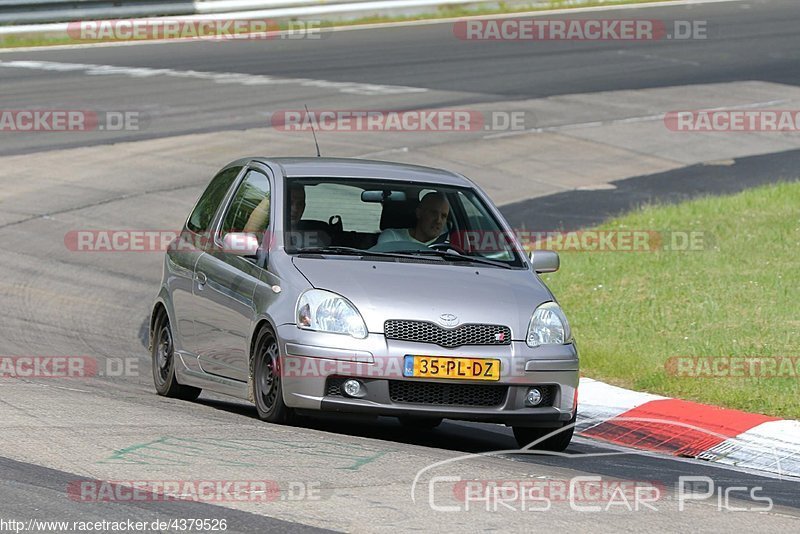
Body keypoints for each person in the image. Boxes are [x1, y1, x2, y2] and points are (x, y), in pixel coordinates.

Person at [377, 191, 449, 246]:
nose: (438, 220)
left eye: (443, 216)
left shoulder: (447, 247)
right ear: (419, 213)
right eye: (433, 213)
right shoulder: (392, 238)